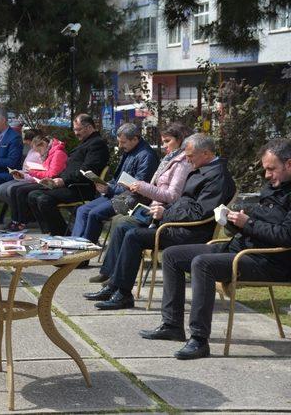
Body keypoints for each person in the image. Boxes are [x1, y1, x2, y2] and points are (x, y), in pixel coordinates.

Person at [140, 138, 291, 360]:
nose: (267, 175)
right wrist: (230, 221)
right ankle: (172, 325)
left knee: (203, 264)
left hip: (268, 261)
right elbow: (257, 224)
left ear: (289, 164)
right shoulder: (273, 187)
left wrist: (247, 223)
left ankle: (200, 340)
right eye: (265, 169)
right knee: (172, 256)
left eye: (271, 169)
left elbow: (286, 236)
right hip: (240, 248)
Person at [84, 133, 236, 310]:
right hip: (175, 223)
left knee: (134, 235)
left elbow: (199, 212)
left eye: (190, 156)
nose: (187, 160)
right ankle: (114, 287)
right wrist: (162, 212)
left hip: (189, 232)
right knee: (124, 227)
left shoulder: (217, 177)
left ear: (207, 154)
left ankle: (123, 294)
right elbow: (185, 203)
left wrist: (165, 214)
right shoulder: (204, 169)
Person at [87, 122, 193, 283]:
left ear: (180, 139)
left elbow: (172, 195)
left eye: (167, 141)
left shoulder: (182, 163)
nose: (164, 146)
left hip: (163, 212)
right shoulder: (171, 158)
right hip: (153, 206)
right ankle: (110, 272)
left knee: (122, 223)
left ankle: (116, 276)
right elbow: (157, 186)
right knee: (118, 220)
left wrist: (142, 187)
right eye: (163, 141)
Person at [71, 122, 159, 248]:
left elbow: (138, 186)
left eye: (123, 142)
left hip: (131, 199)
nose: (120, 145)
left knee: (94, 214)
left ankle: (83, 254)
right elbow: (118, 178)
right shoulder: (130, 151)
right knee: (82, 210)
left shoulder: (147, 156)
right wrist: (106, 184)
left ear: (135, 139)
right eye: (119, 142)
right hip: (117, 194)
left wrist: (110, 188)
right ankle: (75, 248)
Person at [27, 113, 109, 236]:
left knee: (44, 199)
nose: (76, 133)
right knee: (32, 195)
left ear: (88, 127)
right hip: (70, 184)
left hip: (81, 187)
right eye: (75, 129)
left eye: (78, 129)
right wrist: (53, 179)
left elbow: (87, 171)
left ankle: (62, 235)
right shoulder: (85, 142)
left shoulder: (97, 144)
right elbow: (70, 169)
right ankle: (49, 232)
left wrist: (63, 181)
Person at [3, 135, 68, 231]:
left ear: (44, 144)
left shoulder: (57, 153)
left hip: (53, 183)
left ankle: (22, 221)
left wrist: (33, 172)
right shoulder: (49, 152)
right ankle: (16, 220)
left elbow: (52, 174)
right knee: (15, 189)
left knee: (21, 190)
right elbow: (45, 171)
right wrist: (25, 174)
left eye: (39, 150)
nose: (39, 153)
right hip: (43, 181)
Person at [0, 128, 43, 219]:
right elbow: (26, 169)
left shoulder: (39, 153)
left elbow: (37, 172)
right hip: (24, 177)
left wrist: (23, 175)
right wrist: (18, 173)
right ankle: (20, 210)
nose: (27, 144)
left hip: (30, 180)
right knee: (2, 188)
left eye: (29, 142)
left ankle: (21, 214)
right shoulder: (31, 151)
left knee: (10, 189)